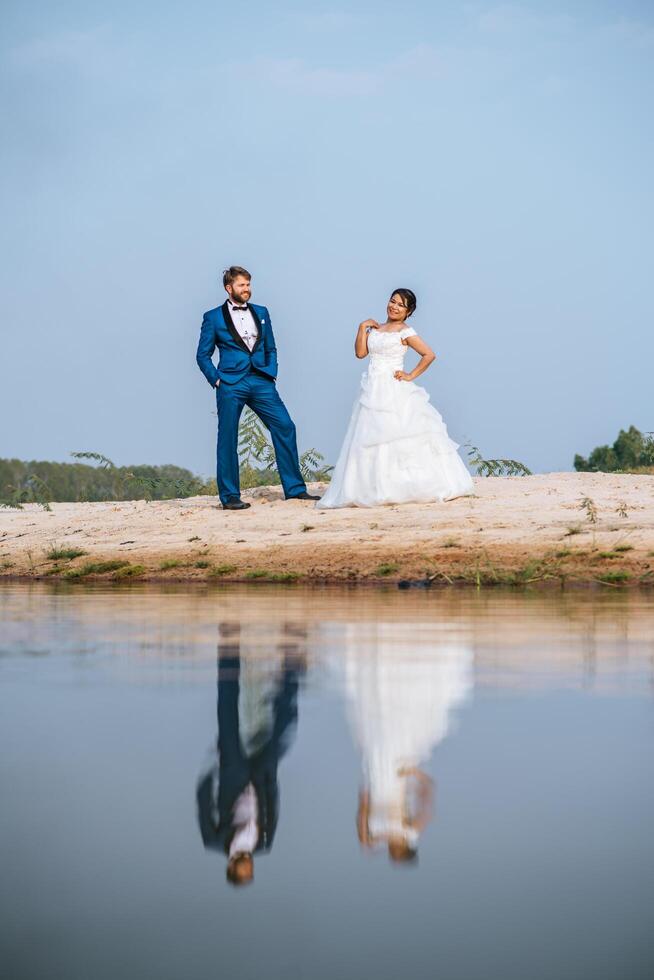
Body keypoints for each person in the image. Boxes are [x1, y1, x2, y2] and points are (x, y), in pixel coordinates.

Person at [316, 288, 474, 509]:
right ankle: (372, 487)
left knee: (395, 434)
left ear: (408, 311)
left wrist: (410, 375)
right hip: (371, 387)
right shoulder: (375, 329)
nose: (394, 307)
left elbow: (429, 354)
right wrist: (362, 327)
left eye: (400, 305)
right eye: (392, 301)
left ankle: (403, 485)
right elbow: (360, 353)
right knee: (368, 436)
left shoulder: (405, 331)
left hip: (393, 387)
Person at [196, 266, 320, 509]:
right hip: (231, 383)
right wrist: (217, 380)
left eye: (249, 285)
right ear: (229, 288)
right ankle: (230, 497)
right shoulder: (212, 317)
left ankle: (295, 490)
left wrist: (271, 371)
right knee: (228, 437)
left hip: (261, 380)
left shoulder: (262, 312)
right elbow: (202, 355)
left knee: (285, 425)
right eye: (242, 285)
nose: (247, 290)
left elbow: (271, 346)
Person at [196, 624, 303, 887]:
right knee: (286, 722)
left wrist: (212, 769)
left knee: (228, 707)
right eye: (251, 871)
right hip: (263, 773)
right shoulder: (265, 844)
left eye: (245, 870)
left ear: (232, 867)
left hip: (232, 769)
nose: (250, 866)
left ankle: (229, 642)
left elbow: (203, 803)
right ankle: (292, 653)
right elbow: (273, 809)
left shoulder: (214, 840)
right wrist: (271, 781)